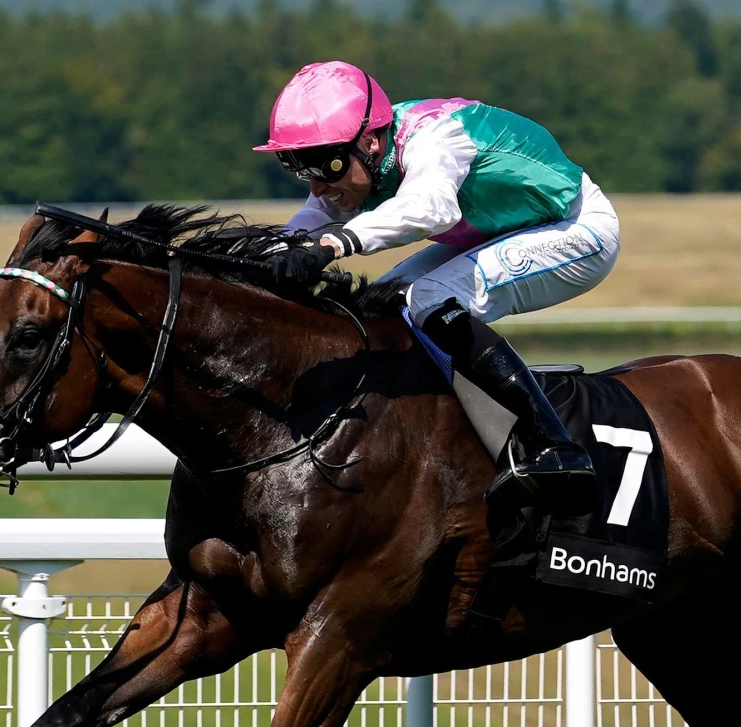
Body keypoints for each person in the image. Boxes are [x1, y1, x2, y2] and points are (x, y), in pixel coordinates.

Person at [254, 61, 621, 516]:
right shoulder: (359, 151)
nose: (317, 185)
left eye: (325, 166)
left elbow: (432, 210)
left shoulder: (438, 137)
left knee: (428, 300)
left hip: (576, 228)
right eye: (298, 167)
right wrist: (259, 255)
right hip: (494, 233)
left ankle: (550, 442)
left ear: (371, 140)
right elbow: (304, 227)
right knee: (377, 310)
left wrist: (335, 243)